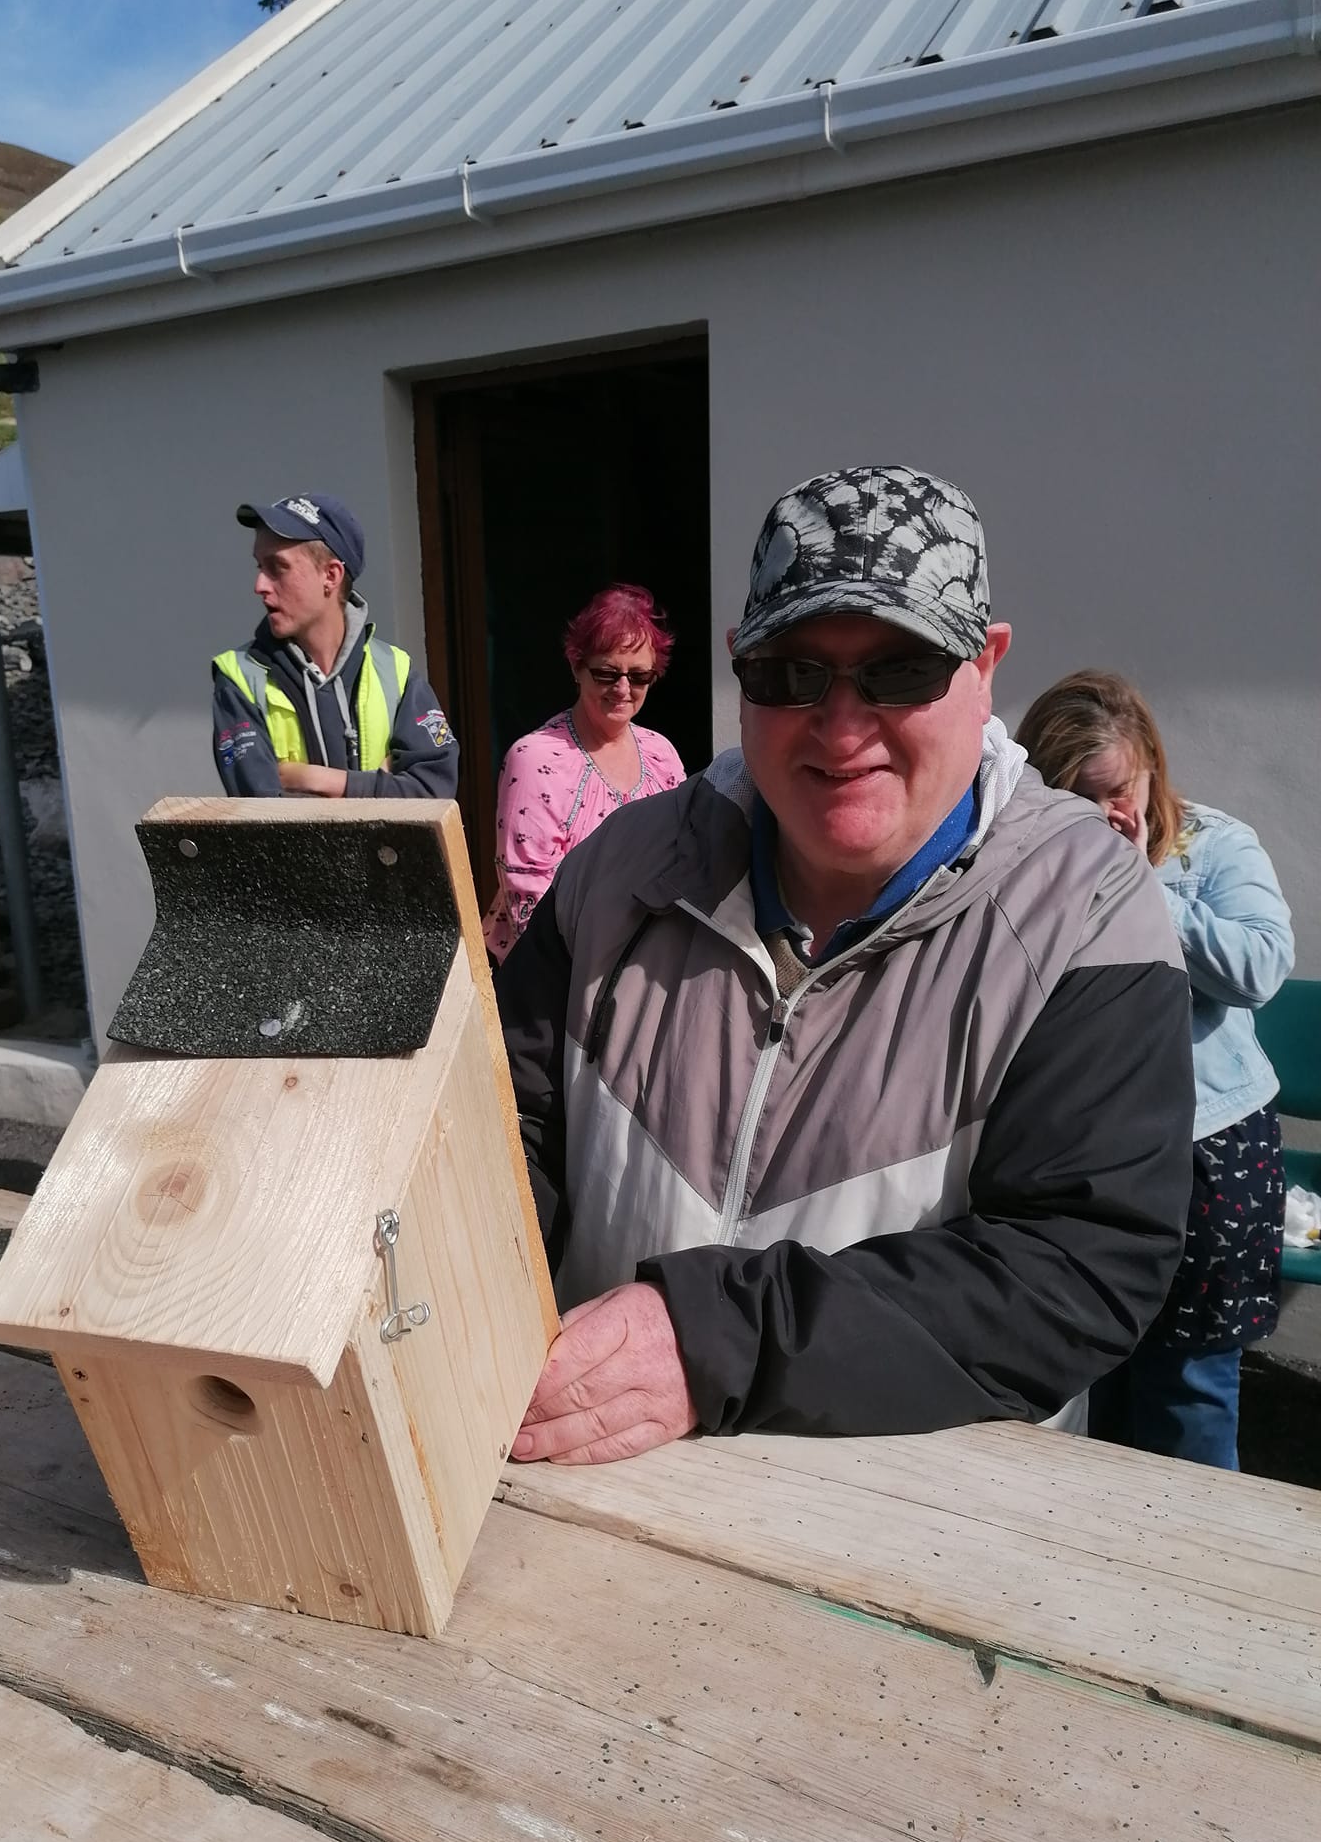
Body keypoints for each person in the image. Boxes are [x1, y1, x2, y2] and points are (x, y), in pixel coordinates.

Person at [497, 465, 1194, 1465]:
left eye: (900, 668)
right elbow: (501, 1135)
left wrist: (715, 1337)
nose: (841, 724)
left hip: (905, 1560)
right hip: (604, 1514)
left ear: (986, 665)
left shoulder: (1087, 912)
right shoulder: (618, 869)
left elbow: (1078, 1264)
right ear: (741, 668)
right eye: (792, 673)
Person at [1015, 671, 1294, 1469]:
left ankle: (1197, 1576)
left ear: (1151, 773)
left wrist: (1140, 884)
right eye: (1076, 798)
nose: (1105, 814)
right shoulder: (1020, 854)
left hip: (1206, 1151)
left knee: (1188, 1392)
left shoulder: (1213, 844)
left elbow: (1261, 967)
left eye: (1119, 791)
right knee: (1075, 1376)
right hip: (1078, 1149)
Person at [483, 585, 686, 962]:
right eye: (607, 674)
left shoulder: (662, 754)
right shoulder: (535, 759)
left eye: (639, 676)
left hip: (645, 967)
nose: (623, 689)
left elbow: (685, 861)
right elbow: (527, 895)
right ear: (577, 666)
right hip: (552, 976)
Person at [212, 492, 458, 800]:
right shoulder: (239, 677)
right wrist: (381, 784)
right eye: (259, 566)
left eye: (277, 567)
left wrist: (320, 779)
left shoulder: (395, 670)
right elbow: (263, 818)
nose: (259, 585)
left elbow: (433, 792)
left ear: (331, 575)